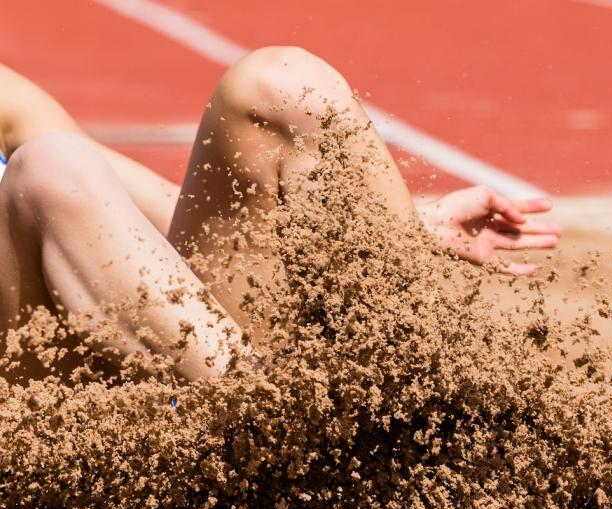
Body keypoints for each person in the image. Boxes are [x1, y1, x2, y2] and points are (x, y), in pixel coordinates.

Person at [0, 47, 561, 381]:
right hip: (36, 406)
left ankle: (429, 410)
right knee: (50, 169)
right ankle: (272, 434)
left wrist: (391, 231)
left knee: (280, 82)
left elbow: (130, 220)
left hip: (153, 360)